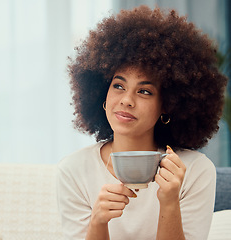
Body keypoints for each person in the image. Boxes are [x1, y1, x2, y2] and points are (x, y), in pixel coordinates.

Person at [56, 5, 228, 240]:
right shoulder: (74, 170)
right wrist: (98, 222)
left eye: (145, 91)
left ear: (167, 104)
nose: (126, 100)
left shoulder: (195, 171)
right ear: (101, 94)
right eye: (118, 86)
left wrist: (169, 202)